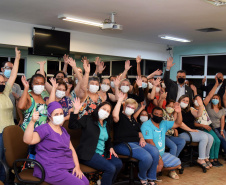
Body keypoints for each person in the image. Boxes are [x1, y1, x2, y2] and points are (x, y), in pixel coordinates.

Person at [23, 101, 89, 185]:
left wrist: (77, 167)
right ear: (49, 116)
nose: (59, 116)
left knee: (86, 182)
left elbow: (71, 149)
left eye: (61, 113)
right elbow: (27, 140)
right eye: (56, 114)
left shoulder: (63, 130)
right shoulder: (44, 129)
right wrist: (32, 122)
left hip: (67, 166)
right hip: (51, 169)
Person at [69, 99, 122, 185]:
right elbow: (72, 126)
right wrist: (76, 111)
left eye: (108, 111)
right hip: (88, 153)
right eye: (104, 109)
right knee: (111, 168)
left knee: (118, 164)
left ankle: (106, 182)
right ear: (98, 108)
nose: (105, 112)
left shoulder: (106, 124)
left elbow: (107, 139)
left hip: (102, 152)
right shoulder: (87, 119)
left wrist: (110, 147)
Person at [113, 93, 159, 185]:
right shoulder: (120, 116)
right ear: (124, 106)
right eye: (129, 107)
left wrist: (142, 138)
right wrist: (119, 101)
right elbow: (114, 116)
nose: (131, 109)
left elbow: (139, 132)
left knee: (155, 151)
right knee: (147, 157)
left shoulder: (133, 119)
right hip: (122, 144)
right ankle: (142, 177)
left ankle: (151, 177)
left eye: (133, 108)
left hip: (136, 142)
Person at [141, 105, 182, 180]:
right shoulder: (146, 125)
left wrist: (179, 113)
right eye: (156, 114)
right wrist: (159, 159)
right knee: (157, 163)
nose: (159, 116)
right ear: (151, 115)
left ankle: (154, 170)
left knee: (178, 163)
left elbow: (178, 124)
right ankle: (151, 172)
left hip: (162, 154)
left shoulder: (164, 123)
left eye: (160, 115)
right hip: (151, 155)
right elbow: (149, 142)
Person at [0, 47, 20, 181]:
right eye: (0, 82)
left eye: (3, 82)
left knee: (10, 163)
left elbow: (13, 75)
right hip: (0, 135)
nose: (3, 84)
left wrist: (17, 58)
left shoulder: (5, 92)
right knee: (2, 164)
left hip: (10, 132)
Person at [177, 95, 214, 169]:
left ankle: (206, 157)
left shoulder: (189, 110)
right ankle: (200, 158)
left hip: (192, 131)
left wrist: (201, 105)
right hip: (183, 133)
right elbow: (180, 123)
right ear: (180, 100)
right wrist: (191, 130)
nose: (185, 102)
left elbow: (199, 114)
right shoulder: (177, 110)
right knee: (204, 137)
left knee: (210, 137)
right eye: (183, 100)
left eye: (187, 101)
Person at [206, 93, 226, 160]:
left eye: (216, 98)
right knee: (221, 138)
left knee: (224, 137)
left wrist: (222, 130)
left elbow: (222, 120)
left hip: (219, 127)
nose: (215, 99)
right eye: (213, 98)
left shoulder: (222, 109)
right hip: (211, 127)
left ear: (219, 100)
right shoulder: (208, 106)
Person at [1, 60, 22, 124]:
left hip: (12, 117)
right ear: (2, 69)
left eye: (12, 69)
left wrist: (17, 98)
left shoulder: (15, 86)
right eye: (8, 68)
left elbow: (20, 104)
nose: (10, 70)